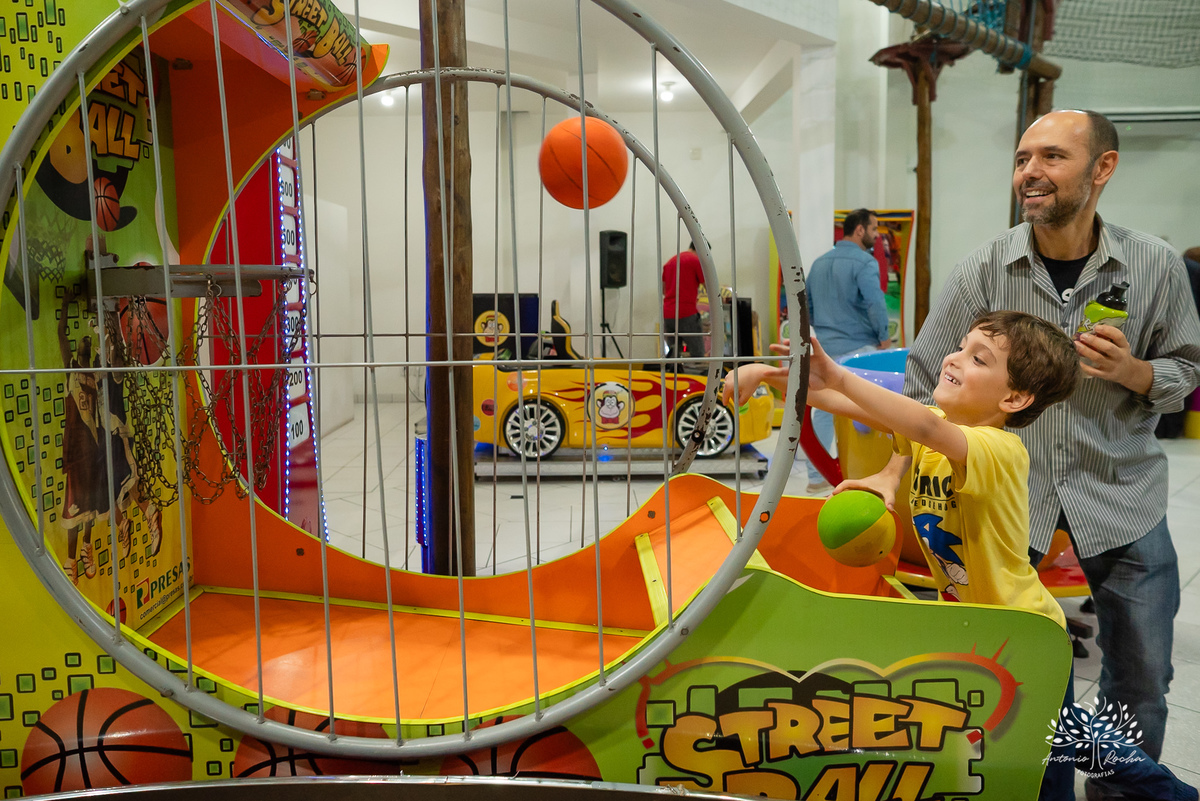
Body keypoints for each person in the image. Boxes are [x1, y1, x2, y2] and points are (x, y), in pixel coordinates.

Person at [724, 315, 1197, 801]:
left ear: (1013, 399)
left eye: (978, 358)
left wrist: (841, 375)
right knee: (1061, 745)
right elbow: (839, 400)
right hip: (987, 633)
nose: (953, 357)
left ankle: (1175, 795)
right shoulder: (942, 428)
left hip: (1025, 632)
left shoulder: (999, 449)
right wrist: (763, 374)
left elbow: (916, 420)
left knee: (1061, 757)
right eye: (961, 345)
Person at [903, 109, 1200, 795]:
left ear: (1102, 169)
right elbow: (924, 374)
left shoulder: (1153, 264)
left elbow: (1187, 372)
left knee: (1142, 672)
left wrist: (1134, 372)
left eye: (1052, 157)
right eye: (1021, 158)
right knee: (1015, 669)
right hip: (1010, 502)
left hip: (1122, 493)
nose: (1029, 172)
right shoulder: (983, 265)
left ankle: (1120, 790)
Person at [802, 208, 892, 494]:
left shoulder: (818, 264)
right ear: (860, 230)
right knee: (868, 412)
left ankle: (816, 477)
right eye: (875, 230)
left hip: (827, 349)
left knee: (825, 411)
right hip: (859, 349)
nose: (877, 237)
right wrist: (884, 338)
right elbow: (875, 302)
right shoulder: (864, 263)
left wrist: (827, 332)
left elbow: (808, 308)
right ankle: (866, 473)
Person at [661, 241, 707, 374]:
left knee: (674, 354)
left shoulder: (670, 262)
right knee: (697, 354)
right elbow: (708, 286)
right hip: (686, 313)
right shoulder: (695, 260)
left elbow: (664, 290)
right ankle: (699, 385)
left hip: (668, 313)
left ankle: (675, 384)